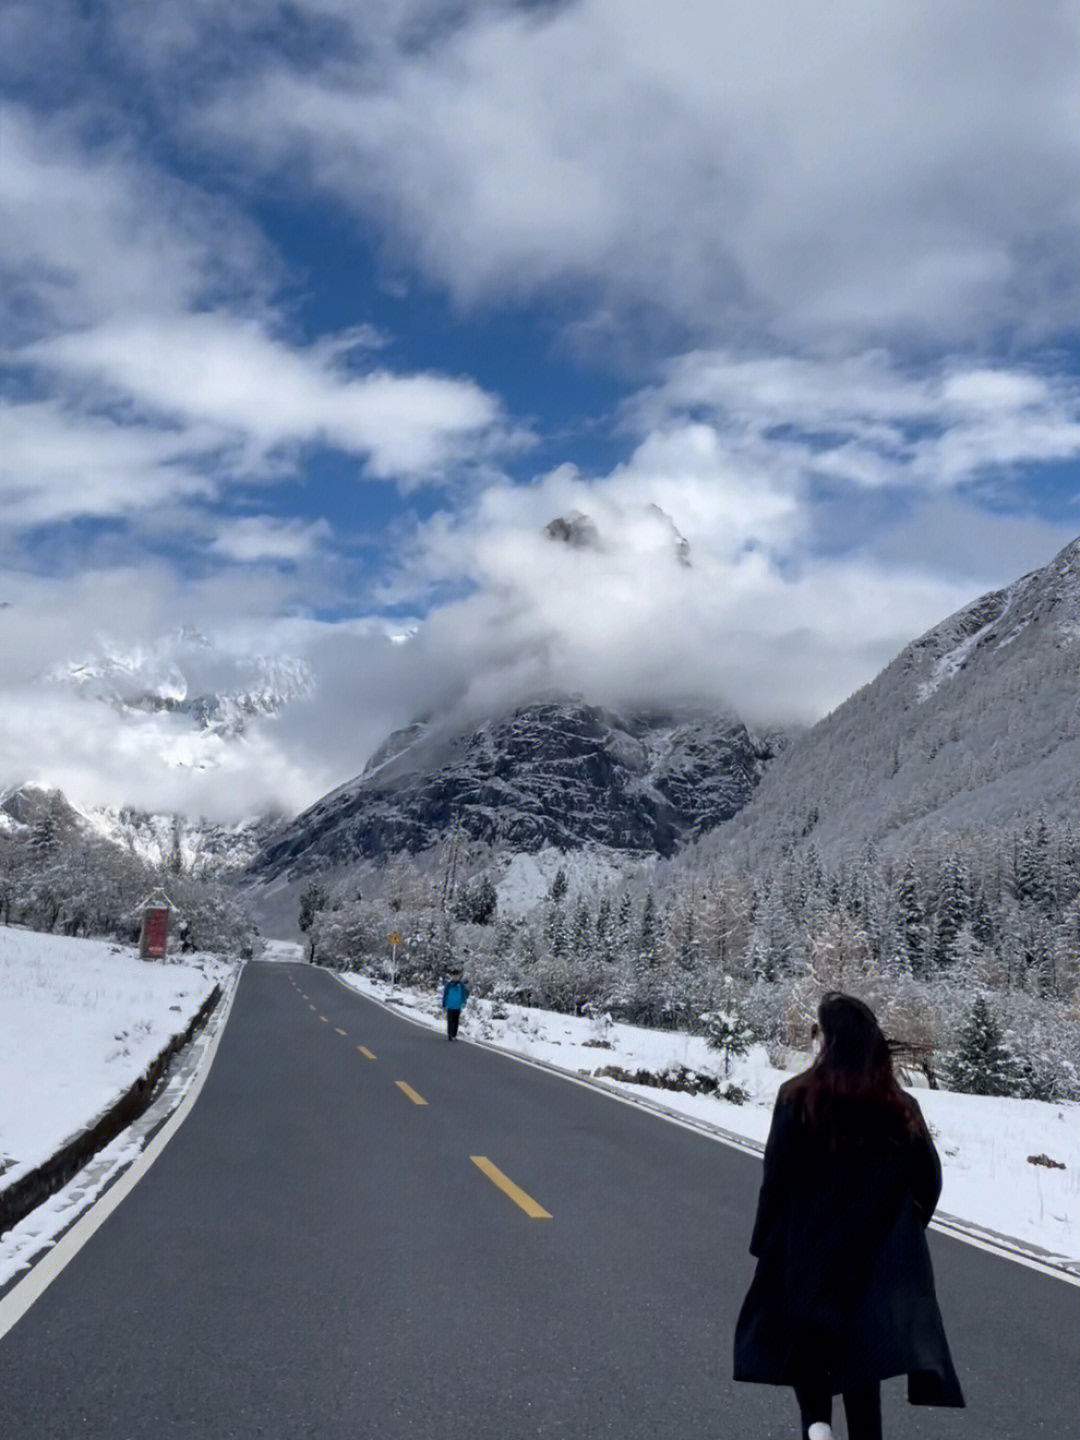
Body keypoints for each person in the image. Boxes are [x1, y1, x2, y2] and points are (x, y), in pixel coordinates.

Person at [733, 991, 964, 1440]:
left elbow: (775, 1179)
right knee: (861, 1366)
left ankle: (816, 1425)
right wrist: (906, 1226)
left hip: (807, 1250)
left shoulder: (796, 1096)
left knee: (808, 1349)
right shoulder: (899, 1106)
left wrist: (765, 1242)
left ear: (831, 1041)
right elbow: (929, 1179)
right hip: (872, 1257)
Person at [441, 966, 469, 1041]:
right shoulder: (449, 985)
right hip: (450, 1006)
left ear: (459, 976)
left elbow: (464, 994)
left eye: (457, 976)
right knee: (450, 1021)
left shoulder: (461, 985)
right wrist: (444, 1003)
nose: (455, 977)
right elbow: (445, 994)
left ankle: (454, 1035)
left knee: (456, 1021)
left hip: (457, 1006)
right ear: (451, 976)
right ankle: (449, 1034)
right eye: (454, 976)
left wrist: (464, 1002)